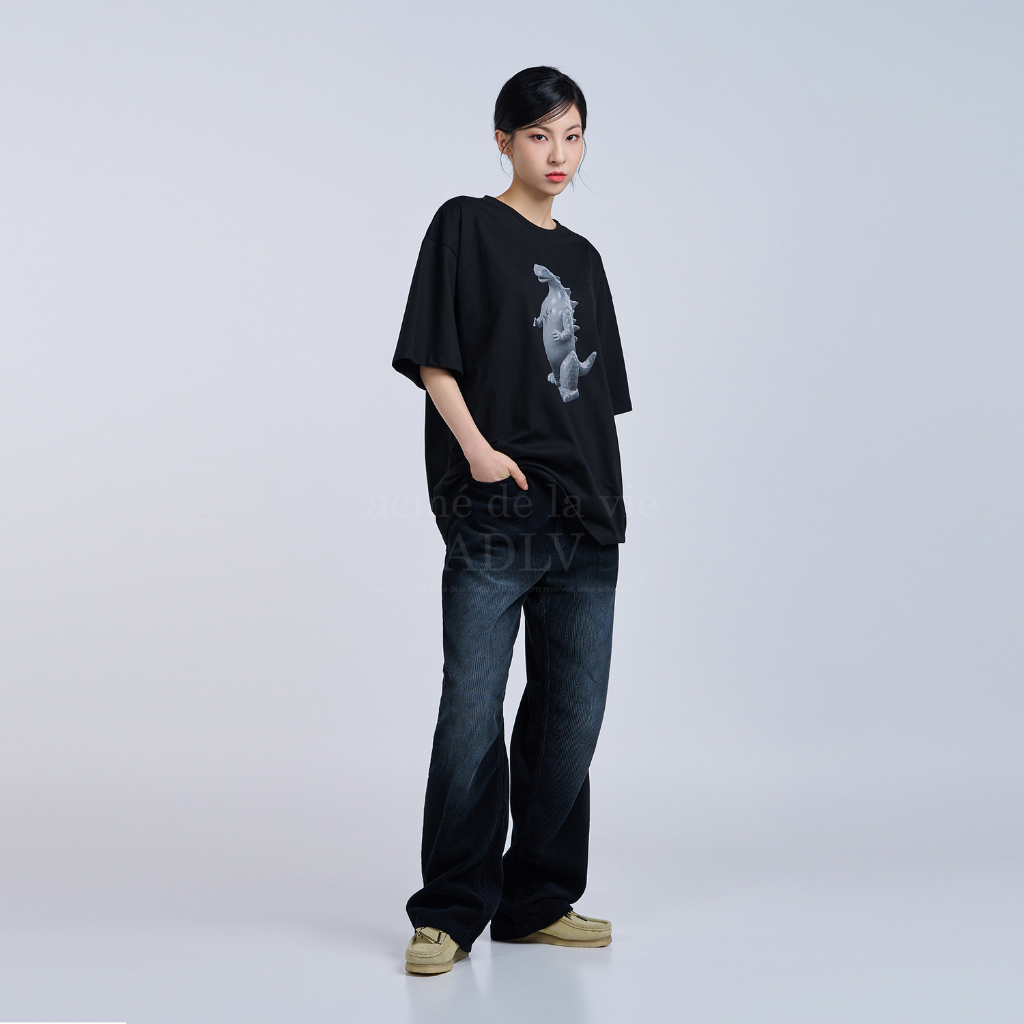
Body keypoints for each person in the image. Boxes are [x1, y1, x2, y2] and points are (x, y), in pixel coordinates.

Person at [391, 65, 633, 976]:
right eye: (539, 135)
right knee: (470, 710)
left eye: (572, 136)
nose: (558, 154)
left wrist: (607, 501)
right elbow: (433, 359)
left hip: (587, 519)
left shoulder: (586, 260)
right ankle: (449, 911)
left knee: (571, 717)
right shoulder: (463, 225)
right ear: (504, 141)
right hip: (497, 508)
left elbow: (593, 397)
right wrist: (480, 455)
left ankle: (536, 902)